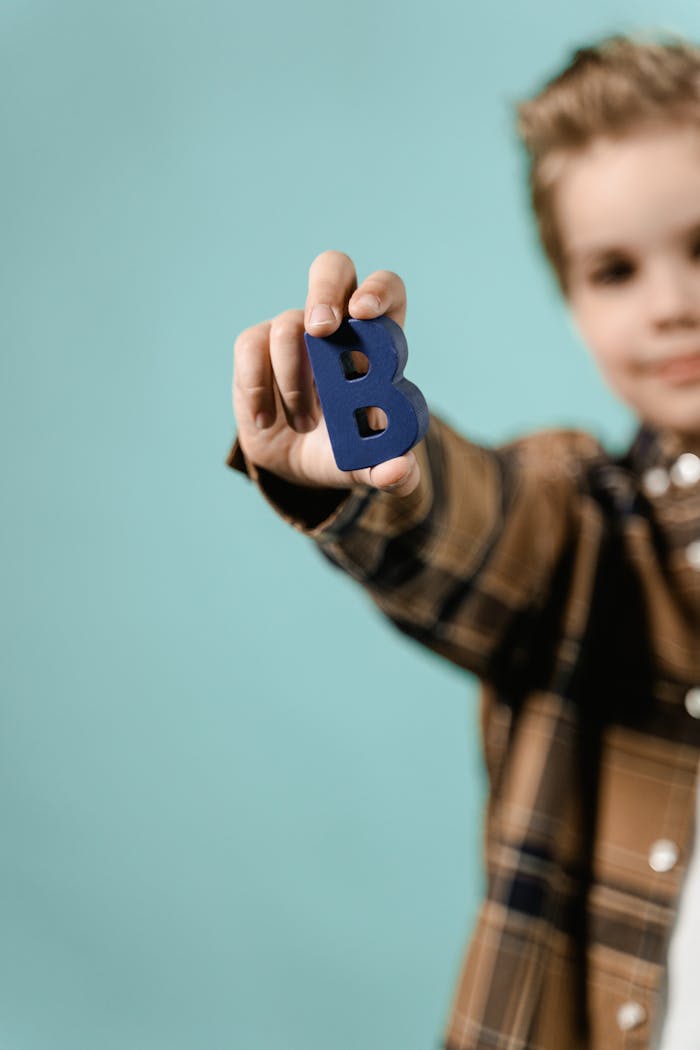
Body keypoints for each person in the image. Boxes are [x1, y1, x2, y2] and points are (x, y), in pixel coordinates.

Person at [226, 32, 700, 1050]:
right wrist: (363, 473)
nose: (671, 305)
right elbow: (467, 521)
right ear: (572, 309)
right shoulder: (582, 526)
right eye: (613, 271)